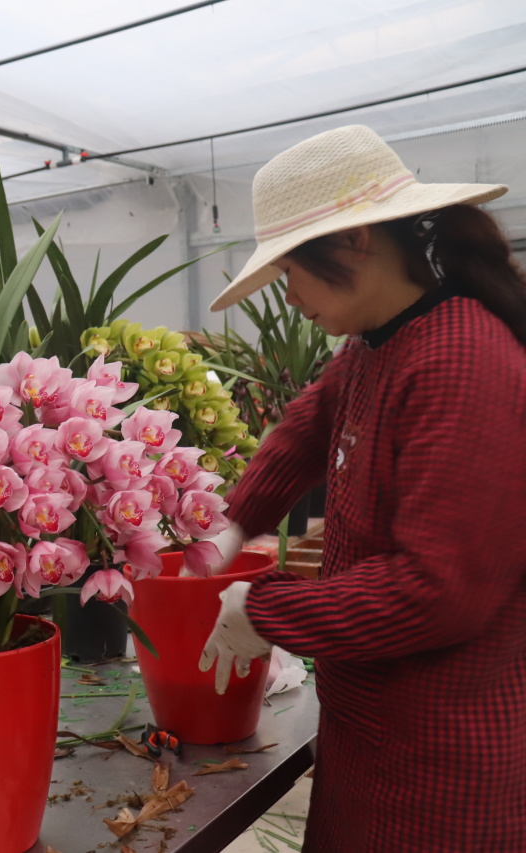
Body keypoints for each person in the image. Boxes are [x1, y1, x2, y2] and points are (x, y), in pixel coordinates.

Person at [198, 125, 526, 851]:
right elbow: (307, 424)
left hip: (443, 773)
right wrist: (235, 522)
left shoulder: (461, 360)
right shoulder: (380, 342)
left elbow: (438, 589)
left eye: (291, 269)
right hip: (372, 735)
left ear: (355, 241)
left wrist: (268, 608)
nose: (288, 296)